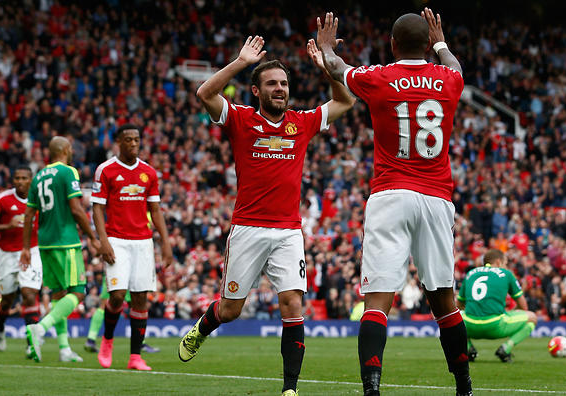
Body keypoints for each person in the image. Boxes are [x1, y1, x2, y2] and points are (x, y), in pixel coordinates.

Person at [178, 36, 354, 396]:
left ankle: (290, 389)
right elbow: (205, 95)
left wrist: (328, 68)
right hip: (247, 229)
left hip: (289, 232)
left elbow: (345, 100)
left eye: (284, 84)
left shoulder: (301, 123)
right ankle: (202, 328)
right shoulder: (241, 119)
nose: (280, 89)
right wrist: (241, 62)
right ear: (256, 91)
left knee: (292, 303)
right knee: (230, 311)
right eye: (272, 83)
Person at [317, 9, 471, 396]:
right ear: (427, 47)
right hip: (437, 198)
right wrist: (441, 42)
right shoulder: (448, 79)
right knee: (444, 302)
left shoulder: (380, 77)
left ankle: (371, 389)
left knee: (378, 300)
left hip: (391, 194)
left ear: (392, 45)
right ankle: (465, 387)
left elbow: (338, 69)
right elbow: (455, 65)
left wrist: (323, 48)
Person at [90, 124, 174, 370]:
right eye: (128, 140)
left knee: (140, 299)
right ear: (119, 142)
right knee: (117, 296)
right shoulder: (105, 170)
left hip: (143, 242)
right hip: (116, 240)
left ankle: (135, 357)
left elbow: (155, 211)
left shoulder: (149, 172)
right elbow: (97, 208)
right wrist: (103, 241)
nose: (134, 144)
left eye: (137, 139)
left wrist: (166, 243)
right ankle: (107, 340)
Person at [20, 136, 101, 363]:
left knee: (58, 295)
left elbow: (28, 216)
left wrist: (26, 247)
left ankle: (64, 348)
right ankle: (41, 327)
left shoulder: (38, 177)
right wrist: (93, 237)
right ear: (65, 149)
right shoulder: (68, 172)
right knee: (78, 292)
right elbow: (75, 209)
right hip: (65, 241)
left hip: (44, 243)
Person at [0, 165, 42, 355]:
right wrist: (8, 224)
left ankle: (31, 343)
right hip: (7, 253)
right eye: (17, 178)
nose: (20, 181)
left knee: (29, 293)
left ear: (31, 180)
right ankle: (0, 329)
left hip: (32, 250)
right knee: (7, 299)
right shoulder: (3, 200)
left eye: (24, 178)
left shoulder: (40, 198)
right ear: (13, 180)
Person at [457, 249, 537, 363]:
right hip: (495, 325)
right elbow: (523, 306)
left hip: (470, 325)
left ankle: (468, 348)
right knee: (532, 317)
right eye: (505, 263)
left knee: (449, 318)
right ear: (499, 262)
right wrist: (510, 312)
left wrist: (475, 312)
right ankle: (505, 349)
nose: (505, 266)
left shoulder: (470, 273)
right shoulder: (506, 274)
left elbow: (459, 305)